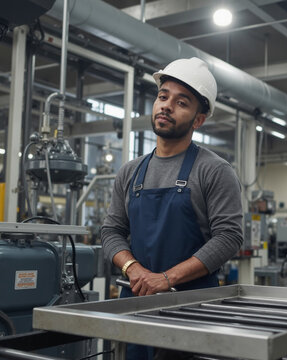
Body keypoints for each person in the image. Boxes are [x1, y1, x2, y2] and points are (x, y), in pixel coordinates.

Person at [101, 57, 243, 360]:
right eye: (163, 96)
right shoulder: (130, 171)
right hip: (136, 304)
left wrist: (167, 278)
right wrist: (133, 268)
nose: (166, 106)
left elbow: (229, 237)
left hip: (192, 308)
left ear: (198, 119)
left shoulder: (214, 170)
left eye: (181, 102)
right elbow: (111, 231)